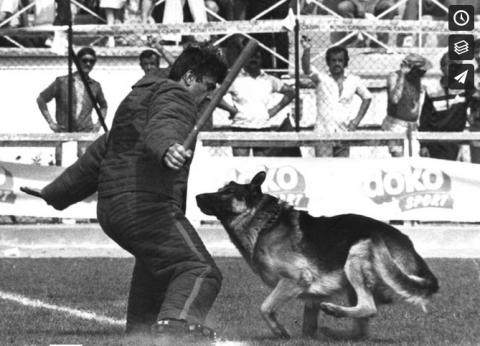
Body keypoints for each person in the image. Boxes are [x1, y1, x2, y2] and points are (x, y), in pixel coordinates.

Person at [97, 44, 227, 339]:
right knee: (200, 270)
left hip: (114, 209)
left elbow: (100, 153)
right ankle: (173, 337)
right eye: (207, 86)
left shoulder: (139, 96)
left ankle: (138, 338)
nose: (208, 95)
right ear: (191, 77)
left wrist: (56, 193)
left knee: (156, 272)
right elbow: (164, 125)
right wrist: (167, 148)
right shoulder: (176, 94)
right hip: (146, 208)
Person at [36, 46, 108, 165]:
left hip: (85, 130)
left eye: (92, 61)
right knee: (58, 163)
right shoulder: (62, 82)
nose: (88, 64)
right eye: (85, 60)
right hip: (63, 128)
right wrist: (51, 122)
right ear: (77, 62)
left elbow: (104, 106)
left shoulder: (95, 86)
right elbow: (41, 99)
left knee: (84, 164)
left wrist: (98, 124)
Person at [301, 39, 372, 157]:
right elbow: (306, 68)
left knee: (342, 170)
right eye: (333, 60)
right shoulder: (321, 79)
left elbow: (367, 97)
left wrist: (356, 121)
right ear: (328, 63)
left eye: (340, 60)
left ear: (345, 63)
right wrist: (307, 49)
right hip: (323, 132)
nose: (337, 63)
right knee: (324, 169)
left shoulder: (353, 80)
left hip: (343, 132)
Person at [226, 44, 296, 156]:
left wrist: (274, 110)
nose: (253, 59)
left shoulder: (269, 80)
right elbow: (214, 96)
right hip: (241, 127)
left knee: (262, 167)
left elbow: (291, 92)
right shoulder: (234, 79)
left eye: (257, 57)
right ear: (244, 58)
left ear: (261, 59)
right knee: (240, 167)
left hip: (262, 127)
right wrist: (231, 109)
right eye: (250, 56)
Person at [419, 53, 471, 161]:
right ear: (442, 67)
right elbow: (425, 119)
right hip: (435, 140)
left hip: (456, 139)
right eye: (450, 65)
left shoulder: (466, 89)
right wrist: (423, 144)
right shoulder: (432, 90)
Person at [382, 53, 431, 157]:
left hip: (412, 126)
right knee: (398, 158)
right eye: (420, 71)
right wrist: (403, 76)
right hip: (396, 124)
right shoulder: (395, 76)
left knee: (414, 160)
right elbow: (394, 99)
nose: (423, 73)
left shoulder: (417, 79)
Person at [469, 38, 480, 164]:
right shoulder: (472, 75)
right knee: (477, 164)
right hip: (476, 124)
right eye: (476, 52)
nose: (479, 55)